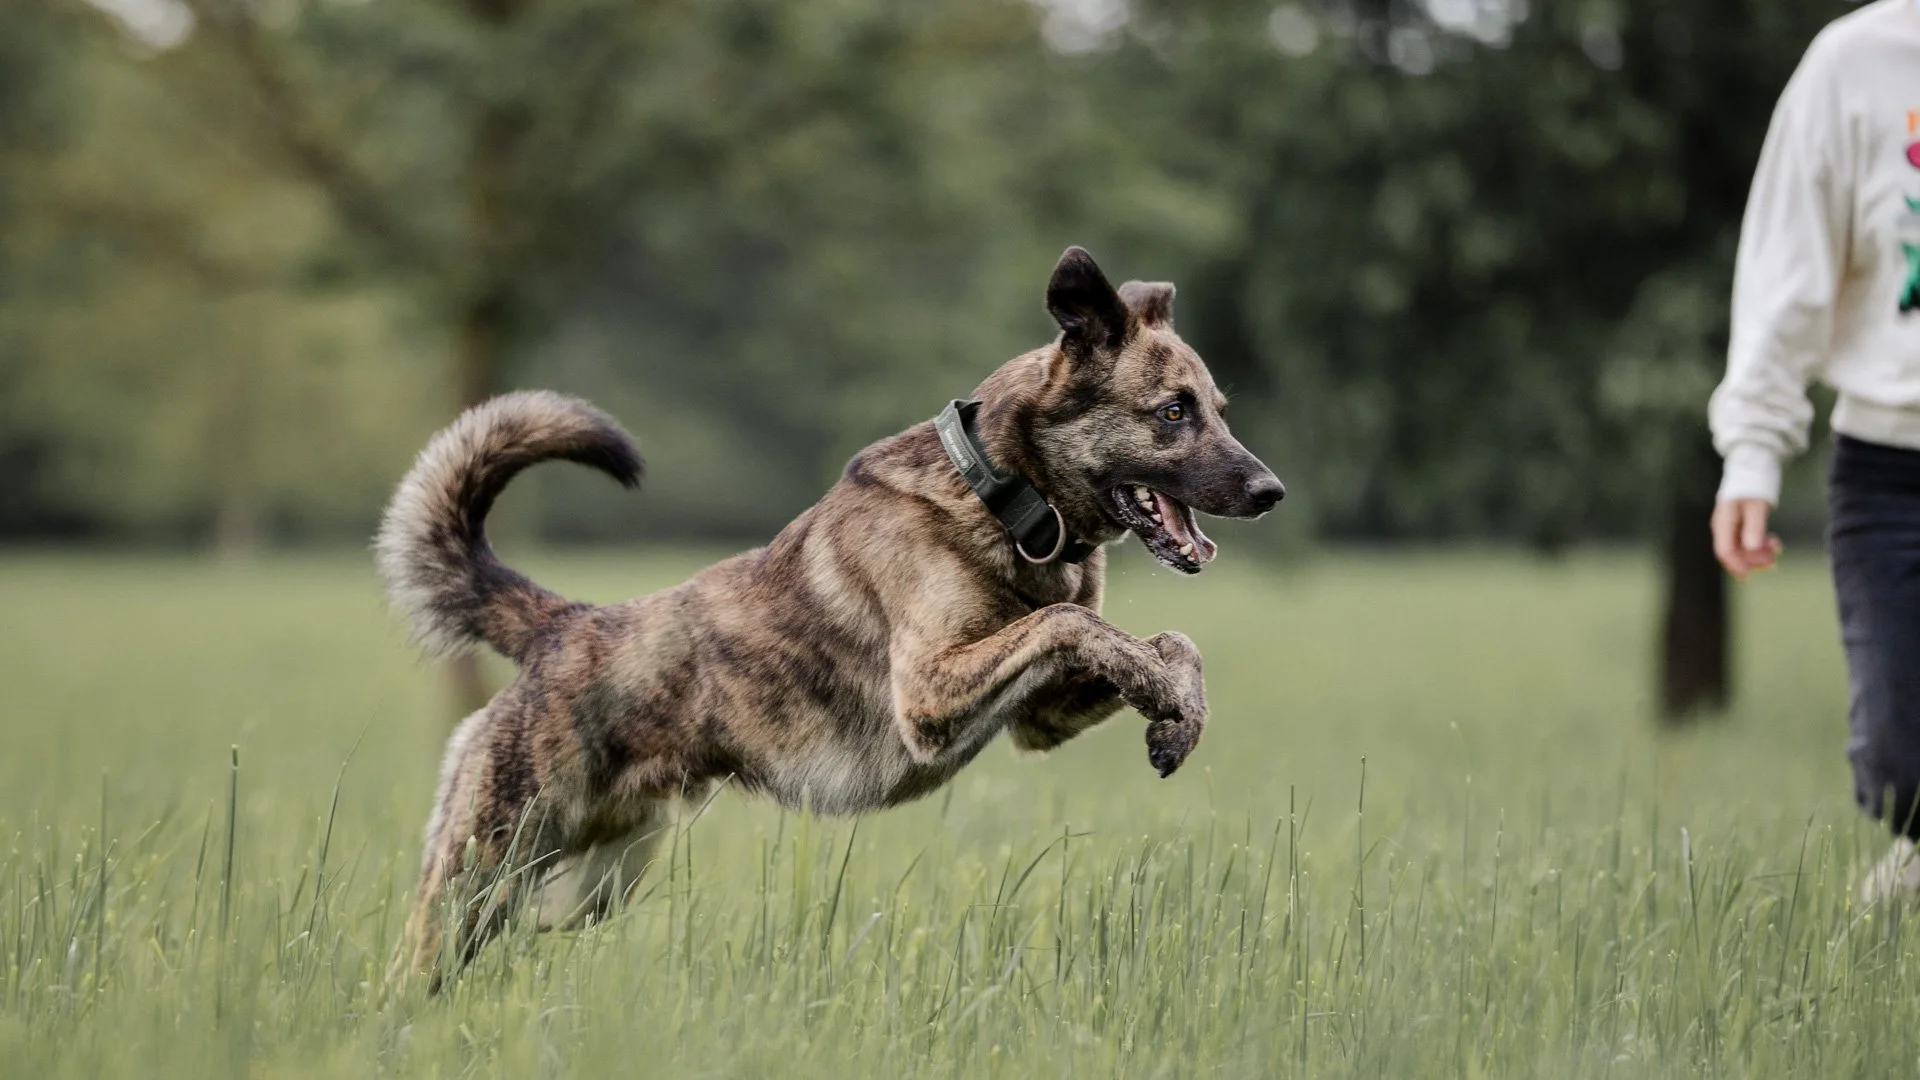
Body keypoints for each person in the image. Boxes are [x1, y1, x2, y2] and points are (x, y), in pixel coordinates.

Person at [1709, 0, 1920, 903]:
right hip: (1894, 468)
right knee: (1900, 767)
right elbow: (1786, 274)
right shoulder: (1857, 62)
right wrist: (1753, 450)